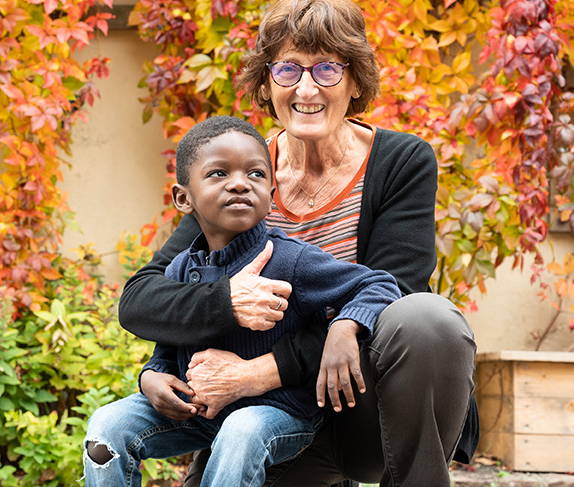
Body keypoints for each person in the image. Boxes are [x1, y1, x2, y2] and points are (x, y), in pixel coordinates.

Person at [118, 0, 479, 485]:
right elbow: (141, 299)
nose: (306, 88)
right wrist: (223, 305)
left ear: (354, 82)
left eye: (327, 68)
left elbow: (396, 291)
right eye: (288, 68)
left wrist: (316, 341)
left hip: (362, 407)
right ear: (267, 82)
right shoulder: (243, 176)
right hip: (270, 417)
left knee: (427, 319)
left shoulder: (400, 161)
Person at [82, 116, 401, 487]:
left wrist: (347, 325)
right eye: (218, 174)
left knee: (241, 430)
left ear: (272, 191)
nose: (239, 183)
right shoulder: (182, 267)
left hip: (279, 412)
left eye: (255, 174)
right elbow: (169, 346)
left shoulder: (291, 259)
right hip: (198, 410)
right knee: (106, 429)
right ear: (184, 198)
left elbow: (378, 284)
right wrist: (151, 376)